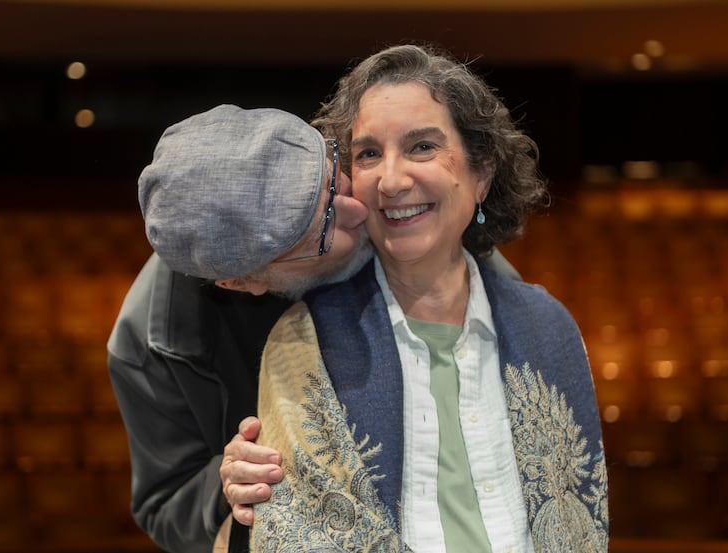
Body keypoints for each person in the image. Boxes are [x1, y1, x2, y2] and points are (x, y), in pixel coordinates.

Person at [107, 102, 522, 553]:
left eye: (330, 179)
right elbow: (164, 506)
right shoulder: (154, 342)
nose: (358, 211)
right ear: (244, 281)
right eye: (324, 229)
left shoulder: (371, 189)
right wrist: (228, 483)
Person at [250, 44, 608, 553]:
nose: (392, 181)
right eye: (369, 153)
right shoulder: (306, 340)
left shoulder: (548, 327)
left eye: (421, 147)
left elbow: (581, 518)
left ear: (481, 173)